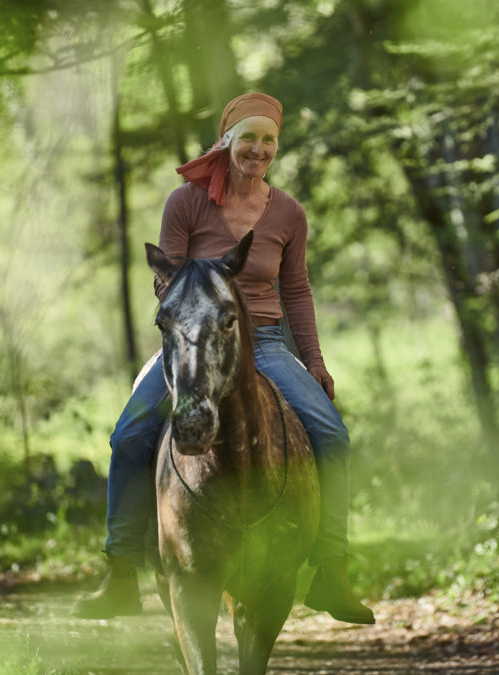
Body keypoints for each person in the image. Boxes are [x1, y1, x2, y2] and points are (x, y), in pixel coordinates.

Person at [71, 92, 374, 625]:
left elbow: (296, 290)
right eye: (249, 137)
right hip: (195, 340)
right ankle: (120, 570)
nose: (258, 149)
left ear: (276, 146)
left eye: (269, 140)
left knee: (332, 435)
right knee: (129, 436)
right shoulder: (185, 202)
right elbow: (165, 280)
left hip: (267, 342)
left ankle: (331, 568)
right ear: (228, 140)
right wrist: (194, 322)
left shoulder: (288, 214)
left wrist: (316, 361)